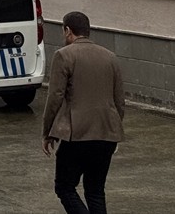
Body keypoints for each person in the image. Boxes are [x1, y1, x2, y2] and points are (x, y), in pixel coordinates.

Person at [42, 11, 125, 214]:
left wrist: (48, 132)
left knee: (65, 188)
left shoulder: (64, 55)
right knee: (95, 191)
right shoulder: (110, 57)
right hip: (106, 134)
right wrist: (113, 128)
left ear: (68, 30)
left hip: (76, 135)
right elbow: (119, 101)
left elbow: (55, 97)